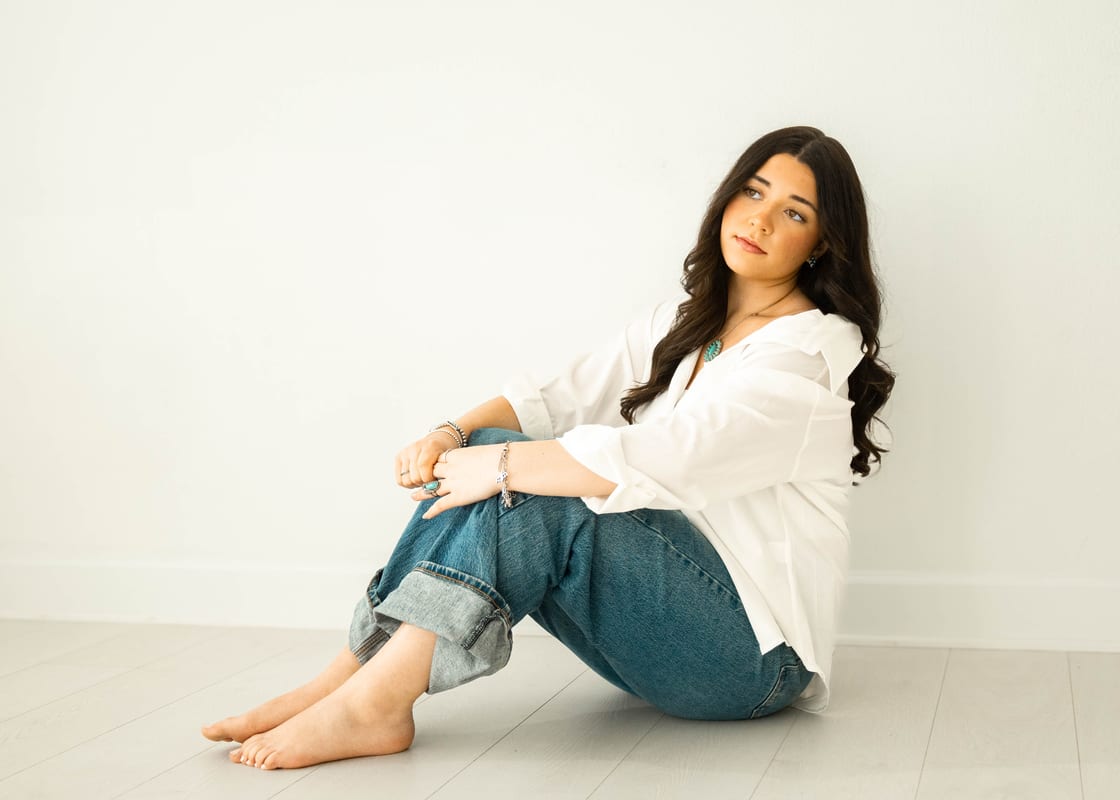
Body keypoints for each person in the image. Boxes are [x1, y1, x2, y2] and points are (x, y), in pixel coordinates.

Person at [201, 125, 896, 771]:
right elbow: (555, 397)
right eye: (753, 192)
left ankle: (371, 703)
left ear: (823, 244)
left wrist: (496, 466)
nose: (761, 219)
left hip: (752, 661)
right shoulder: (687, 323)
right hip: (667, 630)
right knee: (513, 452)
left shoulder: (804, 358)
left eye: (795, 213)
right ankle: (350, 677)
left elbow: (667, 458)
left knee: (537, 485)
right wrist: (453, 435)